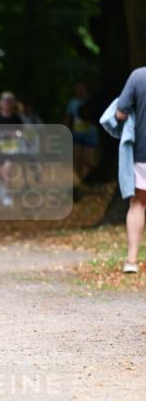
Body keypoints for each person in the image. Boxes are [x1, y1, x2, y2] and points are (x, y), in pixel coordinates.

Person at [101, 67, 146, 274]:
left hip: (141, 153)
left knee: (137, 203)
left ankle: (131, 261)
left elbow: (120, 113)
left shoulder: (138, 76)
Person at [0, 91, 24, 208]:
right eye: (5, 101)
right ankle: (2, 186)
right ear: (1, 103)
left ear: (13, 103)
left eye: (9, 101)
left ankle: (8, 196)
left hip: (11, 147)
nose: (7, 103)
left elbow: (21, 131)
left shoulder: (16, 118)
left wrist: (16, 135)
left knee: (7, 170)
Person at [65, 82, 99, 181]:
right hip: (77, 135)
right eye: (77, 88)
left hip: (91, 135)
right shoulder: (72, 103)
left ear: (86, 89)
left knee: (88, 161)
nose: (79, 90)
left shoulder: (91, 101)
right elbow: (68, 118)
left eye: (82, 88)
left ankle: (92, 178)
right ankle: (81, 181)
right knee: (77, 160)